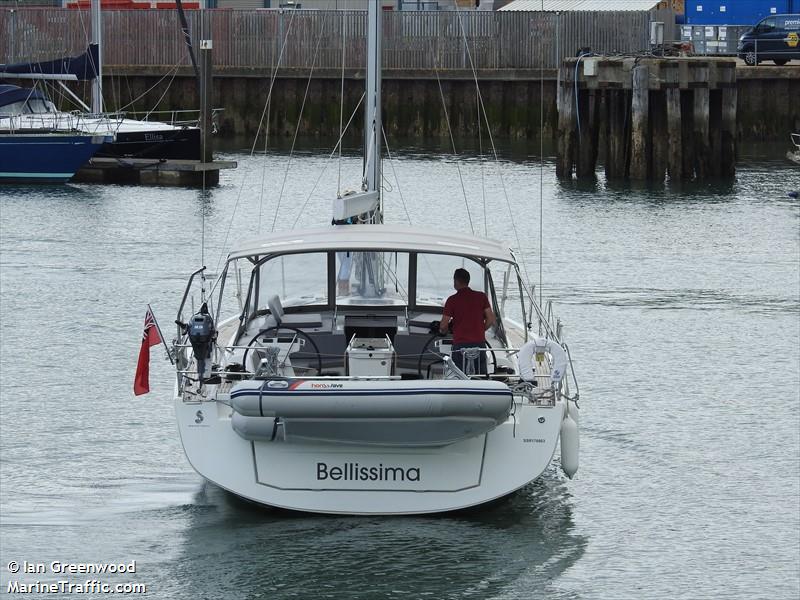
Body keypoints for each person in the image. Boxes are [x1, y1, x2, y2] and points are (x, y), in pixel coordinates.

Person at [438, 268, 496, 375]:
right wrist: (479, 330)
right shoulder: (481, 297)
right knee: (480, 376)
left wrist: (444, 332)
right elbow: (490, 319)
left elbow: (443, 325)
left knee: (460, 376)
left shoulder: (452, 300)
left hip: (460, 345)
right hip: (479, 344)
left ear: (455, 281)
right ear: (468, 281)